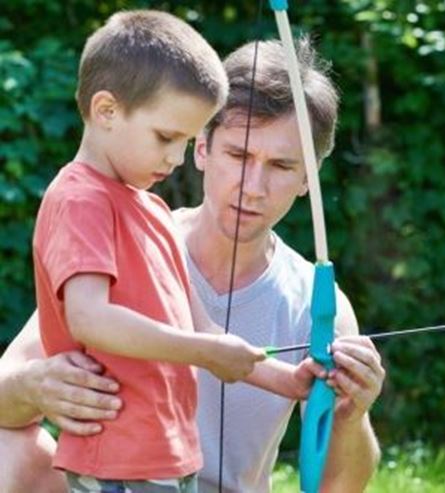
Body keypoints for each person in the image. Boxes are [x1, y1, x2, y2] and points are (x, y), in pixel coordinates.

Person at [0, 37, 385, 493]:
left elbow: (338, 489)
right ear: (201, 146)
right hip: (115, 479)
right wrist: (33, 387)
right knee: (12, 449)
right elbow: (12, 386)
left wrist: (350, 415)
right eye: (238, 155)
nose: (253, 187)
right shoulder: (127, 241)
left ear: (309, 180)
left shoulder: (317, 304)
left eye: (281, 166)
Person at [23, 9, 269, 493]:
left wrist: (291, 377)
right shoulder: (80, 199)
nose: (177, 159)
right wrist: (205, 352)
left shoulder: (152, 209)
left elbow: (200, 327)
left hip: (170, 454)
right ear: (107, 111)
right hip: (118, 459)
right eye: (165, 137)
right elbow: (90, 318)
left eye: (186, 141)